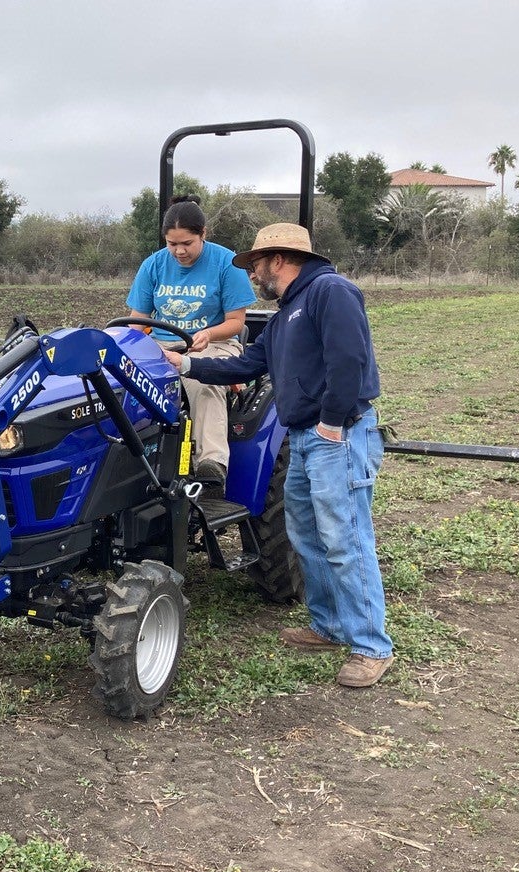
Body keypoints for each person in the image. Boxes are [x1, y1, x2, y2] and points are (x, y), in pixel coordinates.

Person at [159, 223, 393, 688]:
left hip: (337, 435)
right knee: (305, 532)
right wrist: (184, 364)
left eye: (255, 266)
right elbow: (247, 363)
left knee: (344, 538)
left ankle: (372, 646)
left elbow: (350, 361)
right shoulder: (289, 309)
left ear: (279, 260)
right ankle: (327, 626)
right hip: (307, 435)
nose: (252, 275)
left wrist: (330, 420)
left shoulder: (331, 292)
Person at [126, 196, 255, 496]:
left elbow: (236, 322)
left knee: (204, 381)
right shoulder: (154, 265)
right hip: (161, 344)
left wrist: (209, 334)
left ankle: (211, 465)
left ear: (203, 235)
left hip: (213, 343)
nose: (179, 251)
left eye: (187, 243)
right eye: (172, 244)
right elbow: (137, 320)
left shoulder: (226, 262)